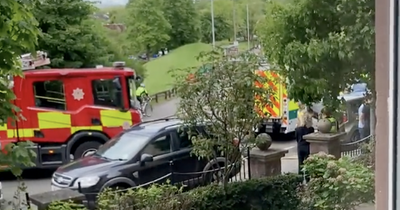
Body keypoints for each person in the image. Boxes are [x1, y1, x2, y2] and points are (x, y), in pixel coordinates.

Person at [295, 102, 315, 174]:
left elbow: (296, 138)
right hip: (307, 147)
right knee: (307, 164)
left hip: (300, 147)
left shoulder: (298, 129)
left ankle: (299, 180)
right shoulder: (311, 129)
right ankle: (307, 179)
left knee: (300, 164)